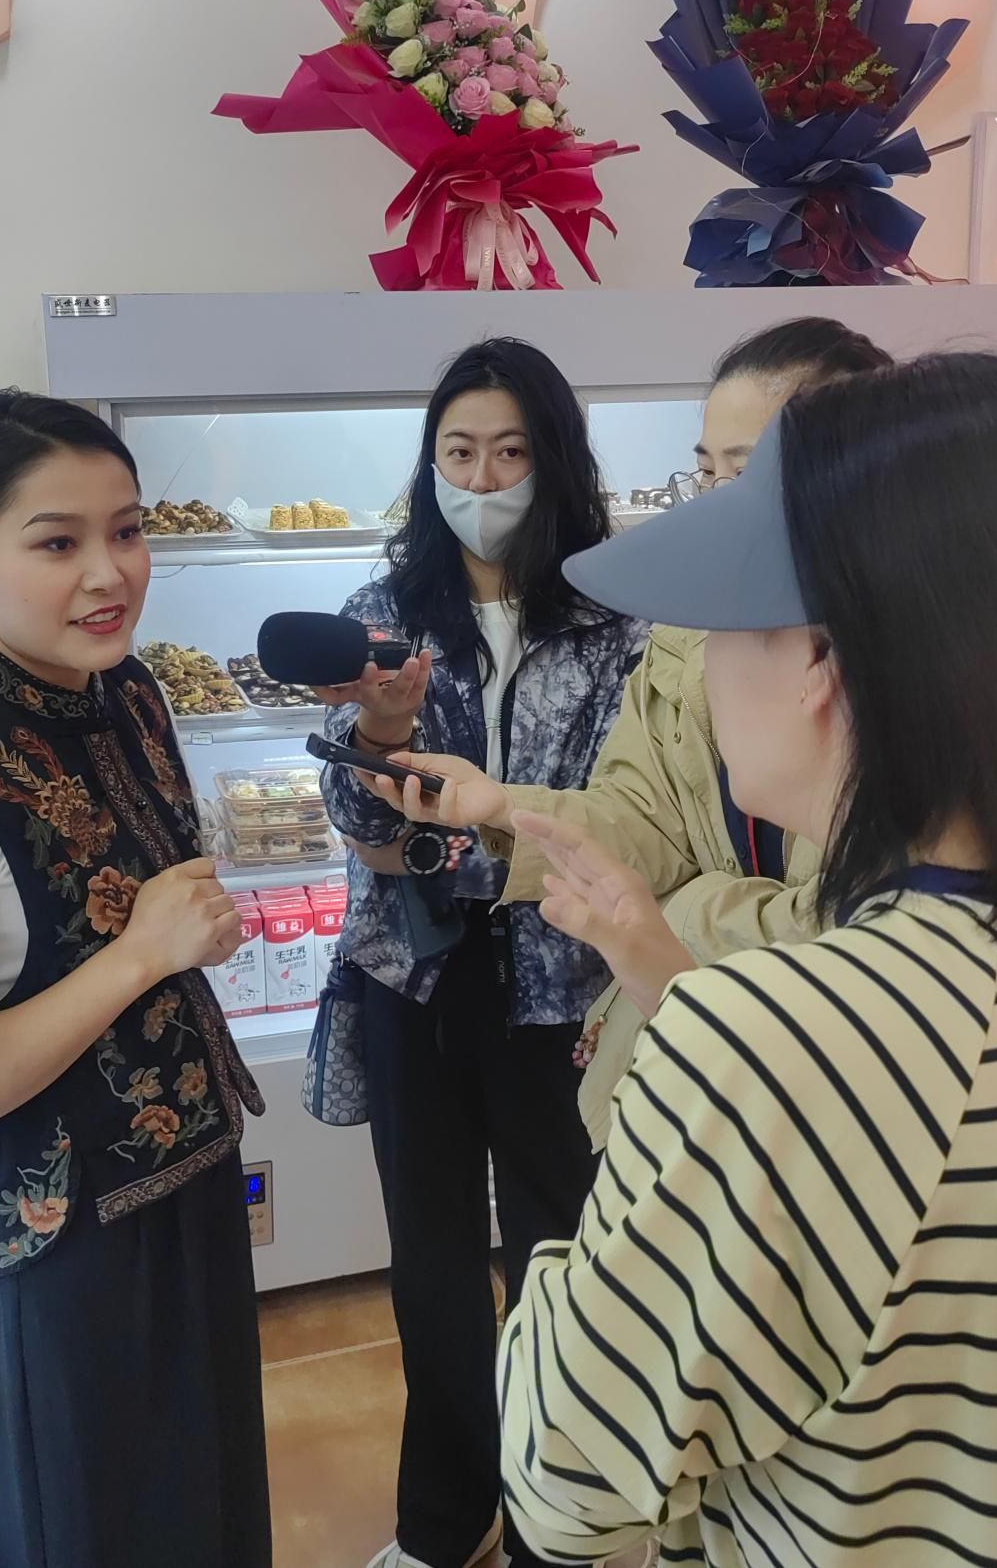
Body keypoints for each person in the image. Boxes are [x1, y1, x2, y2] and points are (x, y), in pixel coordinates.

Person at [498, 350, 997, 1565]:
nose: (699, 658)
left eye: (721, 620)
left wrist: (584, 1252)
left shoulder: (761, 1043)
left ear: (819, 660)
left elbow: (564, 1475)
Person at [0, 392, 270, 1568]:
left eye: (126, 531)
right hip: (51, 1261)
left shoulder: (127, 695)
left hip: (184, 1195)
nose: (107, 573)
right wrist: (143, 955)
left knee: (208, 1519)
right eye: (56, 541)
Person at [368, 317, 891, 1145]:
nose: (718, 503)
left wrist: (679, 914)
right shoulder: (688, 632)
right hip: (683, 1056)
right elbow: (642, 814)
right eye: (707, 473)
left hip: (828, 1093)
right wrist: (501, 807)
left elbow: (864, 930)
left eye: (748, 474)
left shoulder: (921, 677)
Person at [315, 338, 647, 1568]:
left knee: (564, 1251)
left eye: (510, 452)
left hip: (567, 982)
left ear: (552, 460)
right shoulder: (381, 613)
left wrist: (472, 836)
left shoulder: (616, 619)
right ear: (428, 462)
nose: (482, 478)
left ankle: (565, 1517)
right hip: (416, 980)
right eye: (458, 452)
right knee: (433, 1264)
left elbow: (627, 808)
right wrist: (378, 744)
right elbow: (352, 819)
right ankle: (446, 1520)